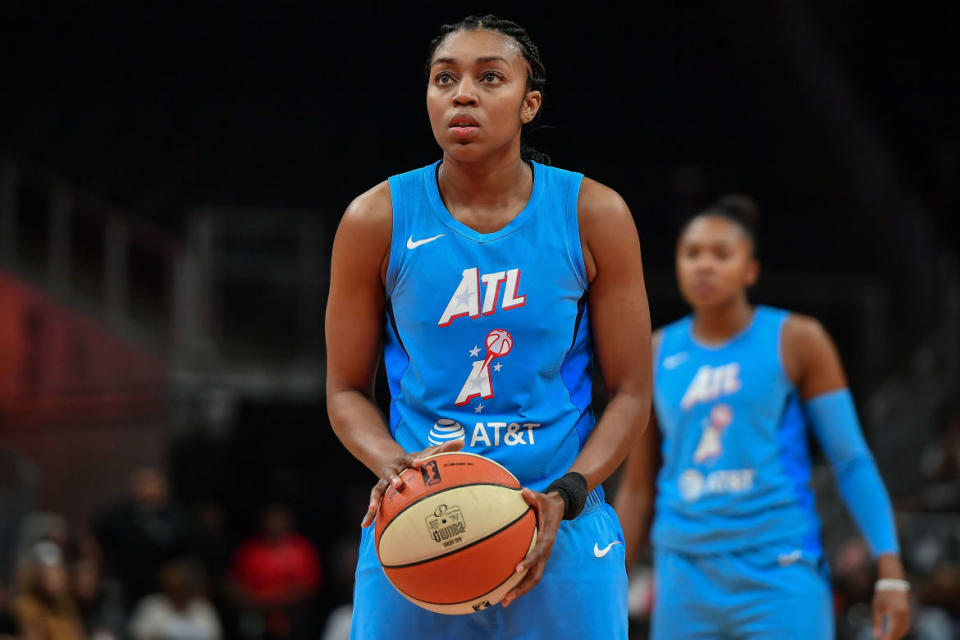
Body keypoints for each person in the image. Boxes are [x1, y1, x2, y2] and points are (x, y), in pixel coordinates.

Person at [325, 14, 651, 640]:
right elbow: (344, 392)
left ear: (530, 104)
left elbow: (632, 393)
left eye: (489, 77)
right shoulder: (375, 219)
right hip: (422, 522)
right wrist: (394, 467)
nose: (463, 94)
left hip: (560, 518)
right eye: (444, 79)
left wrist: (567, 493)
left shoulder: (594, 213)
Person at [613, 196, 912, 640]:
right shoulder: (655, 351)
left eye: (720, 254)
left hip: (779, 568)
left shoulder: (798, 340)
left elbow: (851, 461)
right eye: (691, 253)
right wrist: (608, 581)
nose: (704, 266)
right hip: (683, 576)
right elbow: (638, 489)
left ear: (750, 270)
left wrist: (889, 569)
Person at [128, 560, 221, 640]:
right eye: (178, 588)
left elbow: (214, 635)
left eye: (187, 587)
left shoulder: (203, 608)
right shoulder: (151, 606)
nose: (183, 592)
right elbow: (139, 635)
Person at [12, 541, 85, 640]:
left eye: (56, 571)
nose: (54, 578)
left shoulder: (66, 605)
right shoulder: (27, 607)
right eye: (48, 572)